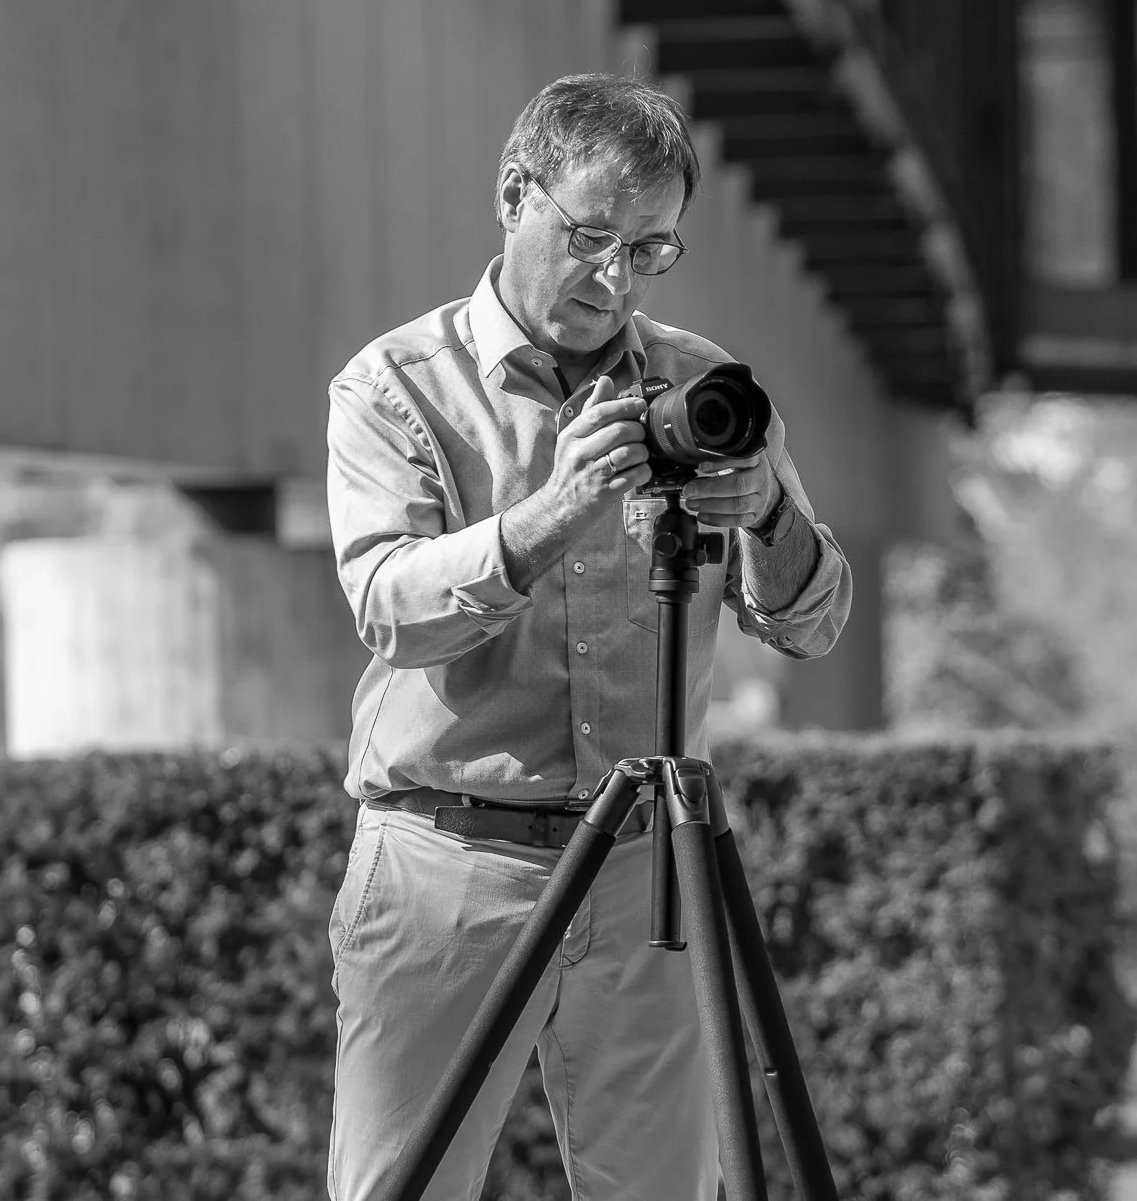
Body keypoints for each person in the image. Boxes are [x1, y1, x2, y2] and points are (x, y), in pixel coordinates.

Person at [324, 73, 851, 1200]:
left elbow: (815, 621)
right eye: (594, 237)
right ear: (516, 195)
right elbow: (386, 607)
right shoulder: (395, 387)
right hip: (446, 867)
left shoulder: (703, 384)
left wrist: (763, 512)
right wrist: (550, 514)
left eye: (652, 251)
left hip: (643, 873)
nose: (616, 279)